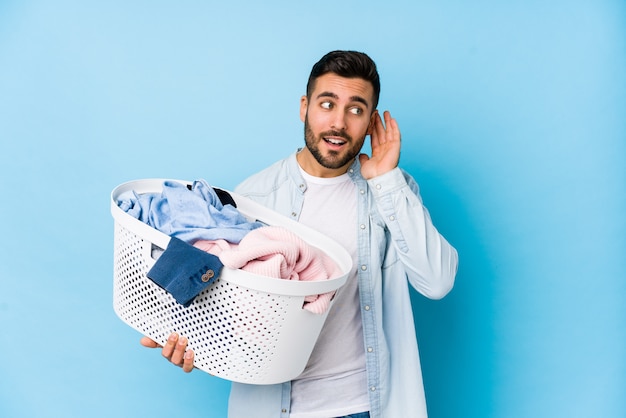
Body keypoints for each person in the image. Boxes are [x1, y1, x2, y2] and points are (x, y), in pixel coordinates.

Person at [140, 50, 458, 418]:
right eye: (327, 104)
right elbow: (222, 307)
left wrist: (386, 180)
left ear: (370, 122)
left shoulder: (391, 192)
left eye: (355, 110)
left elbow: (437, 282)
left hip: (366, 408)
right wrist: (190, 343)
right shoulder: (252, 199)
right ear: (305, 107)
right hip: (274, 409)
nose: (338, 123)